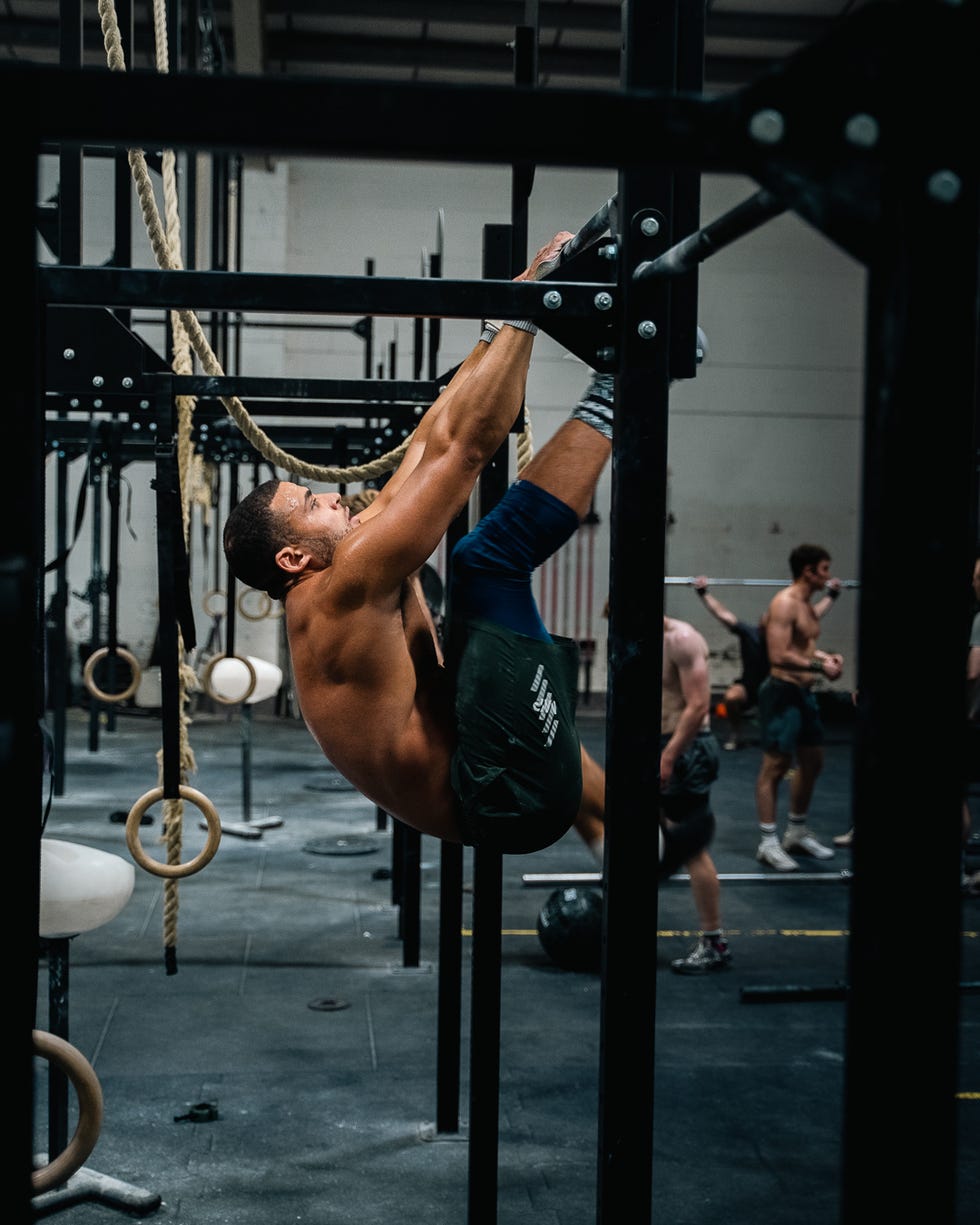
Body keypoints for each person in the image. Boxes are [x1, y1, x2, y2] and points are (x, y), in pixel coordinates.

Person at [223, 229, 697, 869]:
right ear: (292, 559)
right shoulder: (341, 591)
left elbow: (430, 439)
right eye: (310, 506)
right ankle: (627, 387)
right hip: (498, 798)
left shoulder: (346, 561)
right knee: (485, 562)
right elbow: (467, 451)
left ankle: (642, 830)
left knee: (481, 648)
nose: (331, 498)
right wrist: (529, 311)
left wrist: (507, 312)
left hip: (487, 764)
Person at [753, 543, 845, 871]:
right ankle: (767, 841)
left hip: (804, 695)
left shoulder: (807, 604)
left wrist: (825, 657)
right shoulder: (785, 603)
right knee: (776, 767)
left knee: (813, 761)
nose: (829, 576)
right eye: (824, 570)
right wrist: (822, 668)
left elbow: (803, 644)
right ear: (808, 571)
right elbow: (779, 655)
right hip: (782, 693)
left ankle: (796, 830)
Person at [692, 574, 843, 752]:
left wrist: (832, 595)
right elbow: (723, 615)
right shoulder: (750, 634)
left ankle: (788, 737)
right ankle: (736, 734)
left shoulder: (785, 639)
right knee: (731, 698)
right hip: (749, 686)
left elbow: (814, 615)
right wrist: (703, 592)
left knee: (791, 714)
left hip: (776, 685)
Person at [659, 614, 730, 975]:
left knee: (691, 846)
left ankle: (714, 941)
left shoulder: (682, 639)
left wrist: (669, 756)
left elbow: (699, 704)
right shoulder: (642, 640)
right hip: (658, 747)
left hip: (685, 751)